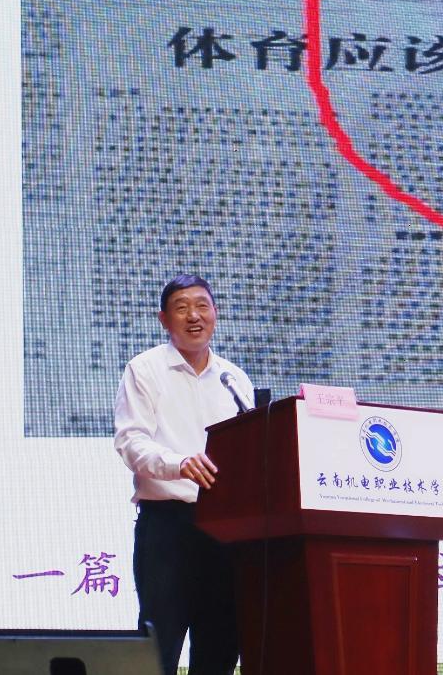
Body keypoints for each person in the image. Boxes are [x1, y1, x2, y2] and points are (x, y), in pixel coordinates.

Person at [114, 273, 253, 675]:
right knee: (158, 651)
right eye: (181, 308)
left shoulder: (234, 379)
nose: (194, 316)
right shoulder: (145, 369)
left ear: (216, 314)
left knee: (220, 649)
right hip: (168, 530)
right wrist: (179, 464)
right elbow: (130, 441)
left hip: (226, 533)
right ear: (164, 319)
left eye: (202, 306)